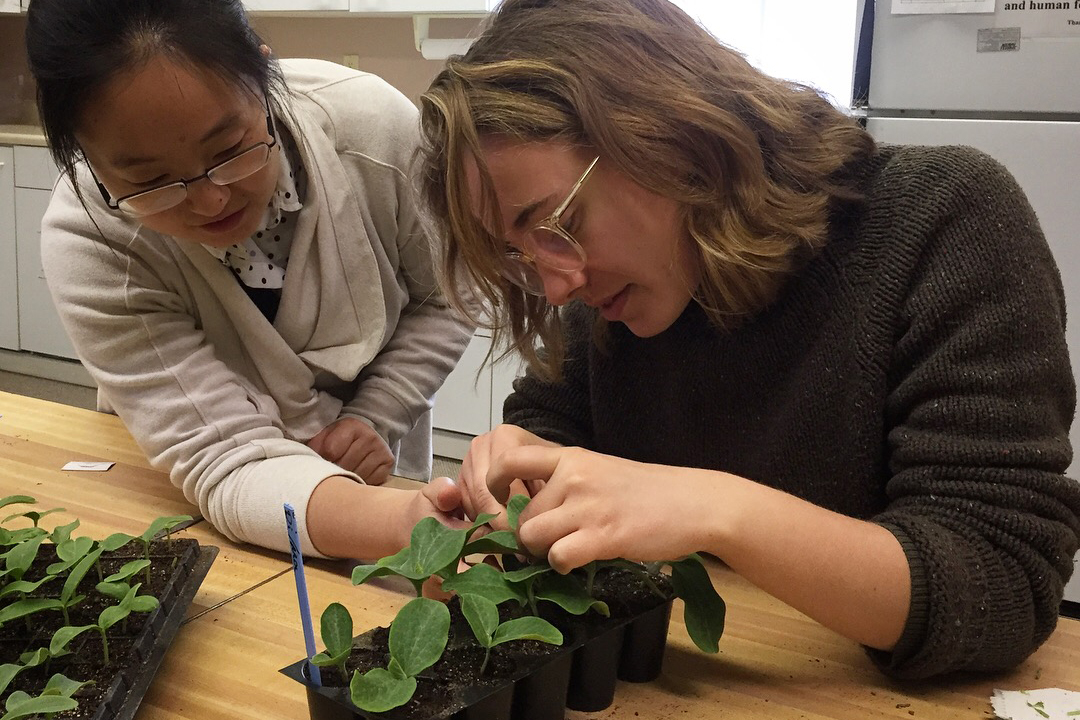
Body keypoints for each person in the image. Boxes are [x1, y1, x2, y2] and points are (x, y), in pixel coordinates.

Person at [415, 0, 1080, 679]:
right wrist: (521, 473)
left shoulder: (945, 217)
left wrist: (713, 507)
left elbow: (1002, 582)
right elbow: (554, 428)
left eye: (558, 222)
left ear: (664, 130)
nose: (557, 288)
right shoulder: (617, 289)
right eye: (523, 256)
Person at [25, 0, 475, 560]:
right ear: (84, 156)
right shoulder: (90, 237)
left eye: (231, 150)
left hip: (378, 481)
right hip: (201, 491)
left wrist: (379, 411)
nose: (211, 200)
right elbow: (222, 458)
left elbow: (450, 295)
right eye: (152, 182)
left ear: (264, 74)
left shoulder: (375, 134)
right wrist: (406, 530)